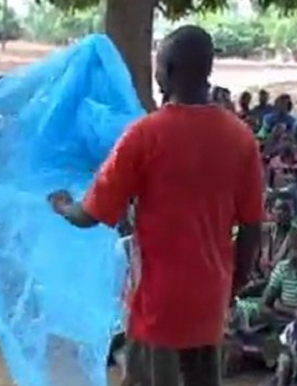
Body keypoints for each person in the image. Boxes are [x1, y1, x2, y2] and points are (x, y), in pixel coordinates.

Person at [48, 25, 264, 386]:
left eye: (159, 63)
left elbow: (89, 215)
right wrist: (233, 285)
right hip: (210, 296)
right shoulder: (240, 137)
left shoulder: (144, 135)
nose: (156, 70)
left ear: (171, 70)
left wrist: (63, 204)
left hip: (157, 302)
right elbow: (253, 227)